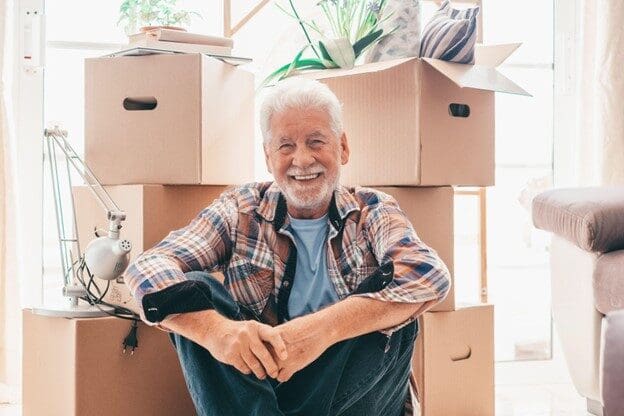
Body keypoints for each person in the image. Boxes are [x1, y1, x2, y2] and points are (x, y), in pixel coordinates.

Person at [122, 77, 451, 416]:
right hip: (268, 392)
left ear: (343, 147)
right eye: (286, 147)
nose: (303, 160)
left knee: (399, 308)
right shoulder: (241, 209)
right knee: (197, 290)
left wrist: (317, 333)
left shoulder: (373, 209)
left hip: (354, 396)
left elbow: (429, 276)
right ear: (268, 157)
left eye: (316, 141)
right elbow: (147, 267)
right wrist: (217, 332)